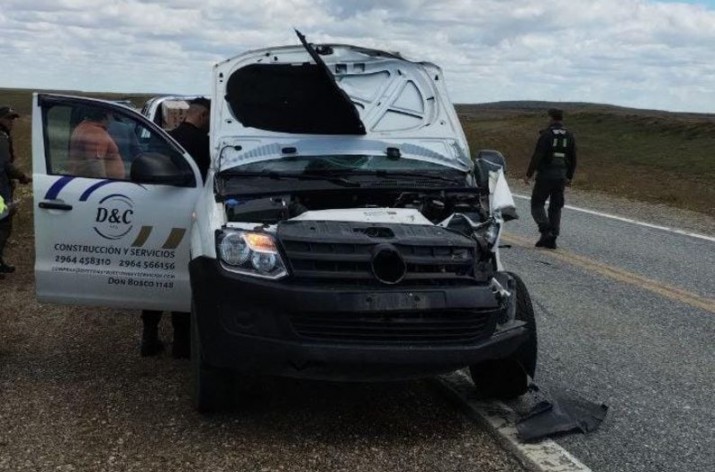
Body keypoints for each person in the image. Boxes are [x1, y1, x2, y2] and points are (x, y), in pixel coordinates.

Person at [140, 97, 211, 358]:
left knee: (157, 274)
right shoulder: (205, 145)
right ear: (202, 116)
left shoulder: (167, 139)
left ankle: (149, 337)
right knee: (184, 276)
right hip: (191, 217)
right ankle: (182, 343)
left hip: (160, 214)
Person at [523, 108, 577, 249]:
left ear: (551, 118)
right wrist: (569, 176)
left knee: (537, 204)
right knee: (555, 206)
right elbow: (573, 158)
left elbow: (537, 155)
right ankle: (552, 237)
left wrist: (529, 174)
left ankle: (545, 230)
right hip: (561, 176)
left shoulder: (546, 135)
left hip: (545, 175)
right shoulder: (569, 136)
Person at [0, 105, 32, 278]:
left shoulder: (3, 135)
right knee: (3, 224)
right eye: (8, 118)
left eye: (12, 118)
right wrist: (22, 177)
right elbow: (5, 165)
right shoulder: (1, 137)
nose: (11, 122)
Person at [68, 108, 125, 179]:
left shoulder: (83, 126)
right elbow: (96, 165)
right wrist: (103, 187)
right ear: (106, 115)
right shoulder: (95, 132)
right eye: (111, 115)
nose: (112, 119)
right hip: (105, 186)